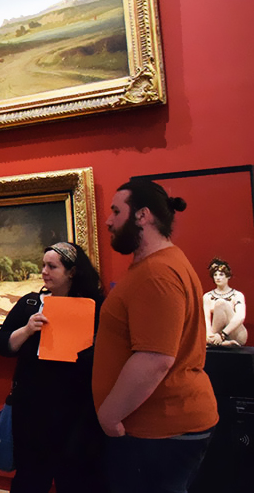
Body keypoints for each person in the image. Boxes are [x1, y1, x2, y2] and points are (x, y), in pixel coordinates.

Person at [93, 179, 218, 493]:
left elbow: (155, 359)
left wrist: (109, 416)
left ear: (142, 215)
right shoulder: (156, 265)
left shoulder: (157, 273)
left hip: (160, 429)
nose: (108, 220)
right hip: (158, 427)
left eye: (116, 211)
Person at [0, 242, 106, 493]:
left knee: (77, 479)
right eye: (43, 265)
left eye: (52, 266)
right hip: (32, 410)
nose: (44, 271)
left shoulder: (95, 306)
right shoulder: (30, 304)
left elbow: (108, 355)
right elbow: (1, 344)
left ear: (72, 272)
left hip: (78, 411)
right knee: (30, 478)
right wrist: (27, 330)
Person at [203, 257, 248, 346]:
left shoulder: (237, 295)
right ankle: (219, 342)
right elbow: (206, 319)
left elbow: (240, 316)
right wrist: (209, 335)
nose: (218, 278)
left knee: (221, 303)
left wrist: (222, 334)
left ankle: (216, 342)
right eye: (215, 275)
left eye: (221, 274)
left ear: (228, 276)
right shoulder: (207, 296)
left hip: (237, 334)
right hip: (216, 334)